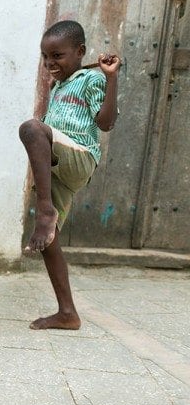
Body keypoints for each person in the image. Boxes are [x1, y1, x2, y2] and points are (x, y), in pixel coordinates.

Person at [19, 20, 120, 330]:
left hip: (80, 155)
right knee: (51, 239)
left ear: (80, 52)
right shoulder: (58, 85)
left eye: (57, 56)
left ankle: (45, 209)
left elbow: (105, 123)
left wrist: (111, 79)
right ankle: (68, 313)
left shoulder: (91, 79)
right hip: (58, 164)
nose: (50, 64)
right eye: (45, 57)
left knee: (32, 128)